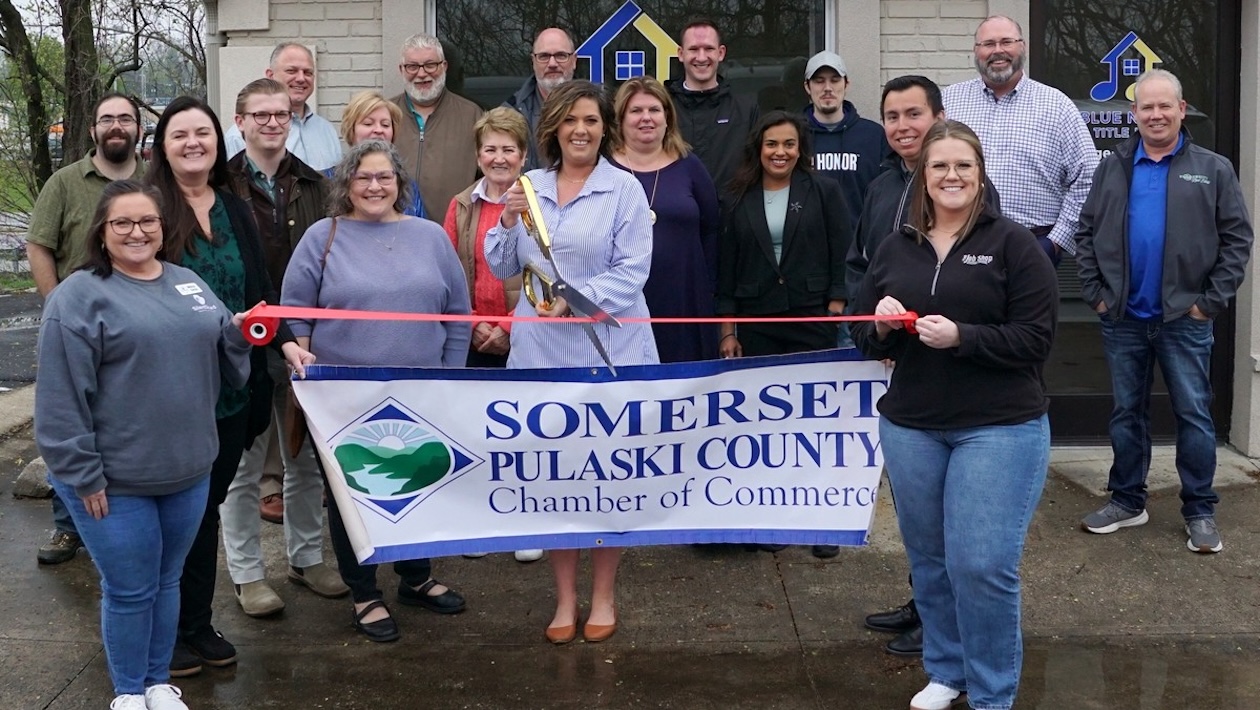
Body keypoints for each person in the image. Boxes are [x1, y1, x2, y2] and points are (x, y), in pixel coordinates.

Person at [850, 120, 1057, 710]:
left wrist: (964, 337)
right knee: (931, 562)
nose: (951, 175)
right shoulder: (895, 247)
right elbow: (862, 335)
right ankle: (947, 670)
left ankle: (992, 692)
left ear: (981, 174)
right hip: (912, 426)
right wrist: (881, 327)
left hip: (999, 426)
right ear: (923, 176)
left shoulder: (1015, 244)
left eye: (963, 165)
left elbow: (1036, 339)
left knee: (982, 564)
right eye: (939, 165)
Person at [34, 180, 253, 710]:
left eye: (148, 221)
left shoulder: (188, 283)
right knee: (131, 589)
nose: (137, 232)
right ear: (101, 231)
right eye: (123, 223)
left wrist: (241, 332)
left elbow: (224, 354)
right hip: (113, 481)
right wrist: (82, 474)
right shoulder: (78, 296)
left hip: (186, 472)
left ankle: (158, 682)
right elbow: (60, 398)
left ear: (163, 226)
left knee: (167, 580)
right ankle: (129, 692)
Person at [486, 80, 658, 644]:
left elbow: (634, 270)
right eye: (569, 120)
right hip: (542, 353)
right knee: (556, 476)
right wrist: (506, 221)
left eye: (590, 120)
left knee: (607, 476)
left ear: (605, 128)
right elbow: (501, 265)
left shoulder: (625, 189)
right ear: (553, 128)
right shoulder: (529, 186)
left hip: (610, 350)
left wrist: (577, 299)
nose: (580, 130)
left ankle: (603, 595)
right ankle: (564, 599)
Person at [146, 96, 311, 676]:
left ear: (219, 143)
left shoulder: (235, 207)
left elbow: (261, 291)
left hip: (232, 389)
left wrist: (285, 342)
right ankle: (162, 632)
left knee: (205, 510)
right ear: (162, 147)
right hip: (170, 392)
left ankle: (195, 622)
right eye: (180, 134)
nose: (193, 143)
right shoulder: (147, 208)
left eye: (203, 133)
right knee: (172, 517)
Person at [282, 140, 472, 643]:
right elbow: (295, 311)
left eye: (384, 177)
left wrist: (449, 377)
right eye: (363, 177)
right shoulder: (323, 237)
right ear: (346, 184)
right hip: (342, 399)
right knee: (354, 495)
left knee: (420, 482)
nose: (374, 186)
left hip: (420, 391)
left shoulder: (431, 237)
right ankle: (364, 592)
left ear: (399, 183)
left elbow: (458, 314)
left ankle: (416, 577)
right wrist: (303, 367)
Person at [1075, 69, 1255, 554]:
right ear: (1134, 114)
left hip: (1184, 320)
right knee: (1126, 413)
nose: (1155, 114)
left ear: (1181, 109)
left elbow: (1237, 241)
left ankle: (1199, 510)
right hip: (1123, 319)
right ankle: (1127, 501)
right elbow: (1085, 232)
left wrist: (1207, 303)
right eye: (1146, 107)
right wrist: (1097, 294)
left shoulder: (1213, 168)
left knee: (1193, 414)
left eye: (1164, 106)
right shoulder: (1113, 167)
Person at [220, 78, 347, 618]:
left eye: (281, 114)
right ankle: (248, 574)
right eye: (261, 115)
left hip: (303, 341)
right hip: (244, 342)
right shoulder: (219, 185)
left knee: (305, 460)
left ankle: (307, 559)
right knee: (244, 466)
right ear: (240, 121)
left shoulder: (317, 184)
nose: (272, 123)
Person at [715, 111, 851, 559]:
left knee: (816, 424)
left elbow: (843, 250)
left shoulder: (823, 190)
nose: (780, 152)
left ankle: (824, 524)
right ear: (758, 148)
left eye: (789, 144)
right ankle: (775, 516)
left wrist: (836, 303)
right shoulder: (736, 196)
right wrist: (728, 330)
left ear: (800, 148)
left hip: (812, 318)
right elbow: (725, 269)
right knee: (768, 427)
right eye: (772, 144)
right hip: (758, 322)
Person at [25, 92, 146, 567]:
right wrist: (57, 305)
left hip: (139, 327)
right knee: (71, 422)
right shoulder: (65, 182)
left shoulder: (155, 181)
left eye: (125, 119)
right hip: (78, 326)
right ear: (93, 129)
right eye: (107, 119)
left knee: (126, 423)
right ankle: (67, 524)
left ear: (138, 128)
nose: (116, 126)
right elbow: (39, 245)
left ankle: (127, 513)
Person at [442, 107, 540, 564]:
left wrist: (507, 327)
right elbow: (448, 273)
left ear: (524, 155)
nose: (499, 158)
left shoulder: (540, 201)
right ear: (478, 155)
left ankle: (526, 523)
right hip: (473, 335)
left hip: (527, 334)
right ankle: (482, 523)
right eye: (490, 149)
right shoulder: (461, 204)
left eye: (508, 149)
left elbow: (547, 273)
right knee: (477, 433)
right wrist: (472, 323)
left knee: (524, 432)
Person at [942, 15, 1097, 265]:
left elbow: (1088, 177)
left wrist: (1056, 242)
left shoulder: (1057, 106)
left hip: (1034, 246)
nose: (998, 50)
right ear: (976, 50)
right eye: (988, 44)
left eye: (1006, 42)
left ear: (1022, 46)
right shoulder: (949, 101)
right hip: (958, 244)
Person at [611, 75, 719, 363]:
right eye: (636, 110)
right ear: (621, 119)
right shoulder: (603, 169)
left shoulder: (690, 165)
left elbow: (712, 229)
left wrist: (708, 286)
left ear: (667, 117)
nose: (646, 117)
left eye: (654, 110)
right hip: (622, 302)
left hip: (685, 297)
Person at [390, 32, 484, 222]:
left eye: (430, 64)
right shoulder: (385, 115)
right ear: (401, 70)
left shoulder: (472, 115)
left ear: (444, 66)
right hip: (394, 233)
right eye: (412, 66)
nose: (422, 73)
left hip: (454, 232)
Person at [666, 19, 759, 192]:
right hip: (677, 208)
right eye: (694, 49)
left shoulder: (746, 110)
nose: (701, 57)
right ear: (681, 54)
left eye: (709, 48)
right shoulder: (664, 110)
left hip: (732, 209)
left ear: (721, 53)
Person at [224, 43, 342, 172]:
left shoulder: (326, 130)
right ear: (270, 75)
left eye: (308, 72)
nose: (301, 78)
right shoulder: (240, 136)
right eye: (291, 71)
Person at [802, 50, 888, 227]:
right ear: (807, 87)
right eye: (819, 81)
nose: (827, 88)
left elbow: (886, 197)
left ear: (846, 84)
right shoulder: (794, 136)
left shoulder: (874, 136)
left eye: (835, 80)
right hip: (807, 240)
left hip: (859, 241)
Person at [338, 90, 427, 218]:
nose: (379, 130)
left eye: (385, 125)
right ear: (351, 130)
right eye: (368, 123)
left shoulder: (408, 187)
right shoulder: (327, 182)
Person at [505, 27, 576, 171]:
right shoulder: (510, 114)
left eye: (561, 55)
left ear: (574, 61)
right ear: (533, 61)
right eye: (544, 56)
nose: (552, 64)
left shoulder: (597, 110)